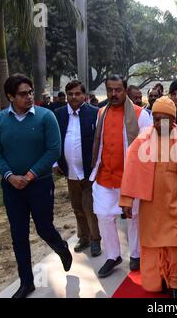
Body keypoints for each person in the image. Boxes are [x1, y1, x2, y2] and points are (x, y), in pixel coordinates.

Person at [0, 74, 72, 298]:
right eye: (23, 94)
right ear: (10, 97)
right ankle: (27, 282)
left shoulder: (46, 116)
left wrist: (30, 175)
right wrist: (9, 176)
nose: (29, 97)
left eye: (30, 92)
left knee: (44, 228)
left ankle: (61, 247)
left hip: (40, 184)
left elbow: (53, 149)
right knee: (18, 235)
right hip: (12, 187)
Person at [119, 97, 177, 298]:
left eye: (165, 119)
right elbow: (131, 172)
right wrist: (126, 201)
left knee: (173, 246)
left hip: (175, 205)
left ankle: (175, 284)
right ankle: (158, 280)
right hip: (150, 207)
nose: (160, 123)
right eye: (157, 119)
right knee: (151, 247)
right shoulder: (141, 141)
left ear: (173, 120)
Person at [89, 75, 153, 278]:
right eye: (110, 90)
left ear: (125, 90)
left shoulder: (140, 115)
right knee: (103, 216)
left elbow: (148, 150)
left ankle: (135, 254)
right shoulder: (101, 112)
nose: (114, 94)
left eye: (118, 90)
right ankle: (113, 255)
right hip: (105, 175)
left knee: (133, 218)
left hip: (130, 178)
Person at [53, 80, 102, 258]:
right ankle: (84, 238)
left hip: (89, 171)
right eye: (70, 94)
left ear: (84, 96)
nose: (74, 97)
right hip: (69, 171)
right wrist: (55, 163)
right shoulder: (58, 114)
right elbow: (53, 140)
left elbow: (101, 142)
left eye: (77, 93)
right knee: (77, 207)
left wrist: (97, 166)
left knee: (89, 207)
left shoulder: (95, 114)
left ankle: (96, 239)